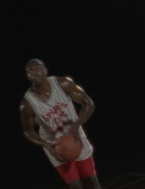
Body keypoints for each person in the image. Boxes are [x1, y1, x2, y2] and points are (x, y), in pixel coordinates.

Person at [19, 58, 102, 189]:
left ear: (45, 70)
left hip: (75, 136)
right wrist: (45, 144)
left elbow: (88, 103)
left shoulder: (62, 83)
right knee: (75, 186)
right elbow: (28, 130)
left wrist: (76, 125)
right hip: (54, 144)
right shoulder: (27, 104)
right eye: (30, 71)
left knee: (91, 181)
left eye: (38, 69)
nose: (35, 73)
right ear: (27, 76)